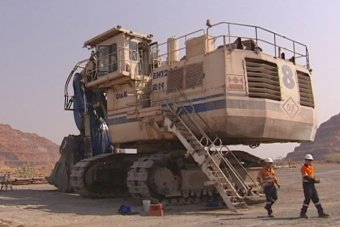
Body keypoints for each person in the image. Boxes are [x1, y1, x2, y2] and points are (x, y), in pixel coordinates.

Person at [299, 154, 330, 218]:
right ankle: (302, 213)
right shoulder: (303, 167)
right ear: (305, 160)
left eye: (311, 160)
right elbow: (306, 177)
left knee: (316, 198)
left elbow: (312, 176)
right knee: (307, 199)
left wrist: (315, 180)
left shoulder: (311, 167)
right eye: (308, 160)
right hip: (307, 185)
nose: (310, 161)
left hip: (311, 185)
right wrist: (315, 180)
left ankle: (321, 212)